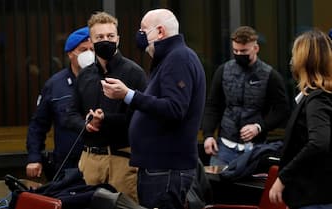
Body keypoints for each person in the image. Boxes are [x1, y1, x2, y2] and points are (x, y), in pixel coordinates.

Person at [101, 8, 206, 208]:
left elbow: (175, 108)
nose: (139, 36)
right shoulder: (169, 59)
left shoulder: (178, 58)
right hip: (158, 167)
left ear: (160, 32)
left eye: (143, 30)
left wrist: (128, 95)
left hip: (165, 169)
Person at [65, 12, 147, 202]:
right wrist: (86, 124)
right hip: (90, 160)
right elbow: (70, 114)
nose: (105, 40)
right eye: (99, 37)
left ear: (118, 39)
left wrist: (106, 119)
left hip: (122, 160)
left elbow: (140, 117)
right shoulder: (85, 76)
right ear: (91, 42)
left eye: (110, 36)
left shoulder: (134, 73)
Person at [203, 26, 289, 169]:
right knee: (217, 188)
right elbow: (213, 105)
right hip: (224, 147)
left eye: (243, 51)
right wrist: (208, 135)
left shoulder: (270, 75)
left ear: (256, 48)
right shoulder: (223, 71)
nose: (238, 54)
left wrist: (259, 126)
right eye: (235, 51)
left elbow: (282, 110)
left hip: (255, 149)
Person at [269, 29, 332, 209]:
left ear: (305, 61)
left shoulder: (317, 98)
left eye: (294, 56)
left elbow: (319, 143)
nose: (292, 61)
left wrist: (282, 178)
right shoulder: (324, 95)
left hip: (314, 200)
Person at [26, 26, 95, 181]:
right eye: (83, 49)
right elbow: (38, 124)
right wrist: (34, 157)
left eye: (92, 49)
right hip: (67, 164)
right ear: (71, 53)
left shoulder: (105, 80)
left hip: (99, 162)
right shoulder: (55, 85)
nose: (89, 54)